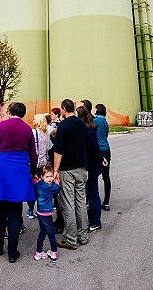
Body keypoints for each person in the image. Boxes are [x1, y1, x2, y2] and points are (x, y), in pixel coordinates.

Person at [0, 101, 37, 263]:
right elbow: (33, 154)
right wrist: (32, 171)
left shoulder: (1, 126)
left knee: (1, 210)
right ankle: (12, 252)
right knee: (15, 211)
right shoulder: (28, 129)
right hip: (20, 171)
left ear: (11, 111)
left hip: (3, 168)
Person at [52, 98, 88, 250]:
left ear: (63, 109)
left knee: (68, 204)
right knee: (80, 202)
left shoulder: (63, 125)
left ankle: (71, 239)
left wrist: (55, 170)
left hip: (67, 169)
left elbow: (58, 149)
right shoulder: (82, 123)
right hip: (81, 167)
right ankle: (83, 235)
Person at [78, 105, 103, 232]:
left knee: (92, 194)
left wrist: (101, 158)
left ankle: (95, 221)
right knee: (91, 193)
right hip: (92, 165)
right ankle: (93, 219)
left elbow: (94, 147)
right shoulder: (90, 127)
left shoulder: (87, 130)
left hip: (89, 166)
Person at [33, 164, 61, 261]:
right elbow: (58, 189)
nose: (50, 179)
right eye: (47, 176)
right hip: (47, 213)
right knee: (51, 232)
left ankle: (39, 252)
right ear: (42, 176)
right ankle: (54, 251)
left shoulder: (38, 185)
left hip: (40, 212)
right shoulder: (51, 187)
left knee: (42, 232)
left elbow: (35, 186)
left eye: (51, 176)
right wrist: (57, 181)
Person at [26, 113, 51, 219]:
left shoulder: (33, 132)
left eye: (34, 119)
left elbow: (30, 148)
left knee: (32, 187)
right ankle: (40, 209)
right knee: (40, 187)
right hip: (43, 163)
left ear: (38, 121)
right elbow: (47, 148)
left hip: (34, 163)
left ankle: (30, 210)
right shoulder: (45, 133)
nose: (32, 121)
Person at [94, 103, 112, 211]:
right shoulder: (105, 122)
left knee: (94, 176)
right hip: (106, 150)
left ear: (97, 111)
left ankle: (93, 201)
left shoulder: (96, 121)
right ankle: (106, 202)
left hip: (98, 150)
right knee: (106, 176)